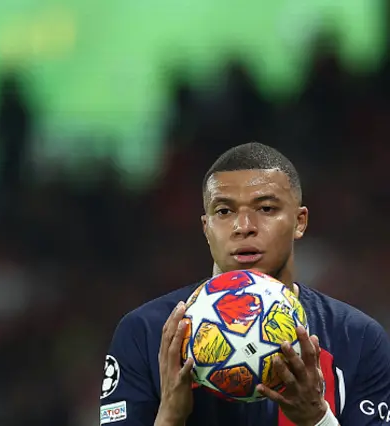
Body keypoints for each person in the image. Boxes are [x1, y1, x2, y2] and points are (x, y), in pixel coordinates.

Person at [99, 142, 390, 426]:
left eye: (265, 209)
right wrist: (171, 417)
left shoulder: (359, 339)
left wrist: (317, 419)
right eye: (224, 212)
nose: (244, 227)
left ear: (300, 221)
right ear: (206, 227)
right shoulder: (145, 333)